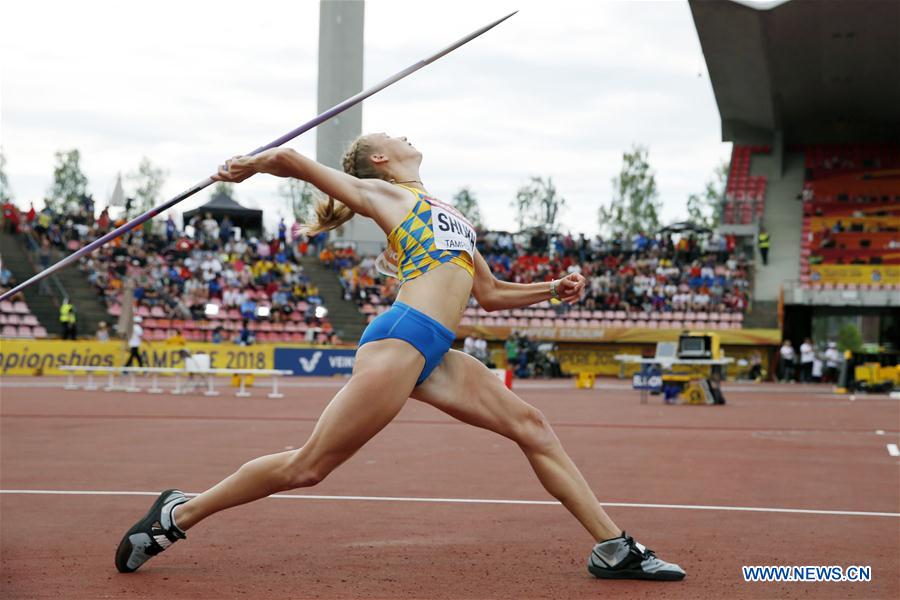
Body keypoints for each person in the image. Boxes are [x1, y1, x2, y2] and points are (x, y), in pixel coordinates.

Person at [115, 133, 685, 581]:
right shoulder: (386, 195)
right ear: (382, 159)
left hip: (435, 348)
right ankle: (177, 514)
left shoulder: (450, 214)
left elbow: (488, 293)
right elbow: (291, 158)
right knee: (308, 467)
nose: (408, 136)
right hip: (402, 338)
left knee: (533, 427)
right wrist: (252, 165)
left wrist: (552, 290)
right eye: (394, 135)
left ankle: (614, 548)